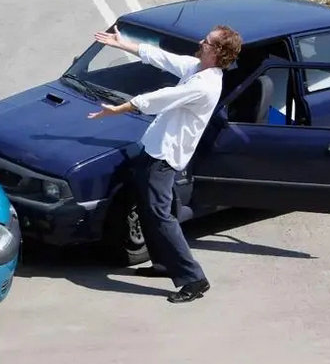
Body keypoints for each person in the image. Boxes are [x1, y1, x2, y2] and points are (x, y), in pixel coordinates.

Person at [88, 24, 242, 303]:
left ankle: (194, 279)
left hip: (163, 157)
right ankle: (163, 264)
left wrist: (121, 108)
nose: (200, 41)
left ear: (217, 51)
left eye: (206, 41)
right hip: (155, 149)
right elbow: (162, 57)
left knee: (160, 215)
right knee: (154, 209)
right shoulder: (198, 68)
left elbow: (161, 98)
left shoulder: (204, 85)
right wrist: (123, 44)